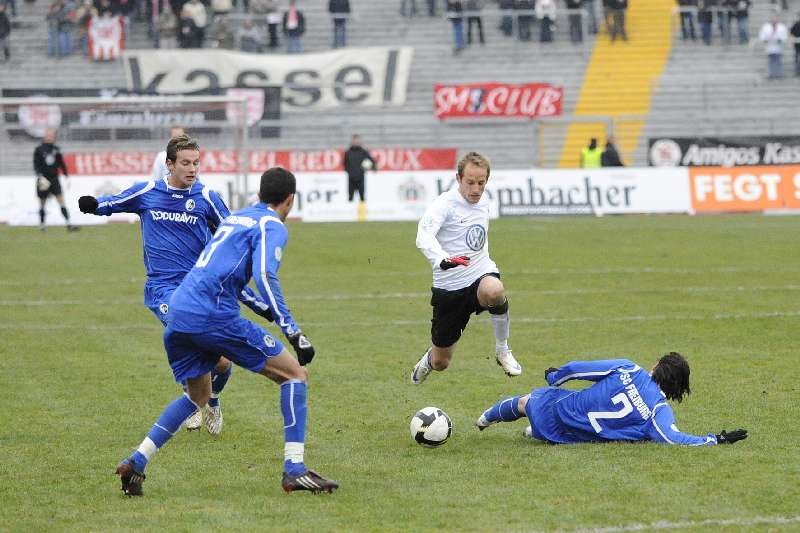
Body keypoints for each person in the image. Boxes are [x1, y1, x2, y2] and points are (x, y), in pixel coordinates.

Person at [114, 167, 339, 496]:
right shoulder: (270, 224)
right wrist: (292, 330)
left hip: (180, 312)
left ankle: (136, 461)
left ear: (260, 194)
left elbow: (220, 270)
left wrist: (259, 308)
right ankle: (294, 470)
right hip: (213, 316)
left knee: (197, 396)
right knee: (294, 376)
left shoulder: (236, 219)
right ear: (290, 199)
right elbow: (264, 274)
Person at [78, 134, 277, 436]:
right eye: (185, 163)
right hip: (163, 289)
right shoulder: (148, 192)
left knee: (222, 362)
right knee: (187, 331)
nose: (192, 168)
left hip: (202, 286)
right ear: (169, 164)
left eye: (196, 163)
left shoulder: (206, 197)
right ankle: (196, 400)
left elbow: (232, 229)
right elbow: (114, 202)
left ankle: (210, 400)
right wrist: (94, 205)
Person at [476, 352, 749, 447]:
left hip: (561, 412)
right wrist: (715, 439)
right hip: (573, 436)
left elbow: (578, 369)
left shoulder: (630, 369)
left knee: (527, 402)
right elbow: (673, 438)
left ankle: (485, 418)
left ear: (657, 366)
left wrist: (554, 377)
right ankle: (534, 431)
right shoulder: (658, 412)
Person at [411, 152, 522, 384]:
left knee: (495, 290)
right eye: (470, 182)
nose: (476, 188)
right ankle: (428, 360)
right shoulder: (444, 204)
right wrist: (442, 258)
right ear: (458, 178)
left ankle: (503, 350)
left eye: (481, 183)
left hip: (480, 274)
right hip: (450, 288)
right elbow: (424, 235)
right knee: (442, 362)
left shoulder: (484, 201)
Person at [34, 129, 79, 232]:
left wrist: (66, 175)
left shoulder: (56, 149)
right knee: (42, 203)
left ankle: (69, 224)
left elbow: (61, 163)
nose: (50, 137)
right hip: (43, 179)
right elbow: (36, 164)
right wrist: (40, 176)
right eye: (48, 135)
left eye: (52, 136)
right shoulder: (39, 150)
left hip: (54, 179)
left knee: (61, 201)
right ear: (45, 137)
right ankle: (42, 225)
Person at [343, 134, 376, 203]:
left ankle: (362, 213)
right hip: (351, 178)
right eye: (354, 140)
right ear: (352, 141)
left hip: (360, 177)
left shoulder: (363, 152)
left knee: (362, 197)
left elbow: (371, 161)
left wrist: (370, 168)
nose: (356, 142)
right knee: (350, 197)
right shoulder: (348, 152)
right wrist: (349, 171)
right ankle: (350, 212)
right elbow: (345, 163)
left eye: (357, 140)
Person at [759, 13, 788, 79]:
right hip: (770, 46)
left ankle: (779, 74)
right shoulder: (766, 26)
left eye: (775, 18)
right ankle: (771, 74)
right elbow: (762, 35)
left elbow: (785, 35)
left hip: (778, 46)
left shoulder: (781, 26)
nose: (773, 19)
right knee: (771, 61)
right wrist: (765, 39)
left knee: (778, 61)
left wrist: (780, 39)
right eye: (772, 18)